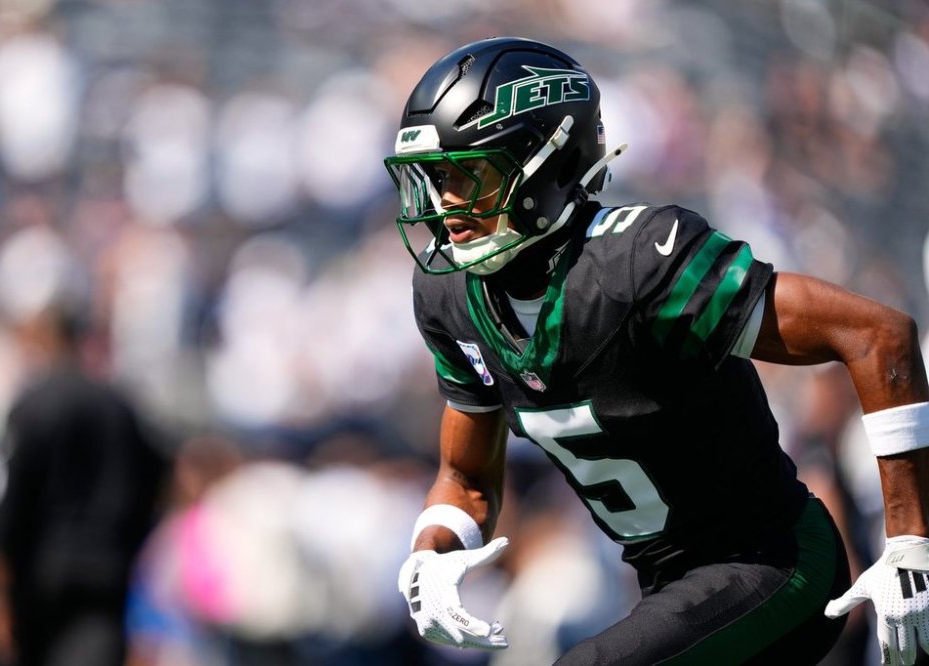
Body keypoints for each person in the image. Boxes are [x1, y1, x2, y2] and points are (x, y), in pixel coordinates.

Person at [384, 36, 929, 665]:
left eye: (467, 175)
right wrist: (432, 552)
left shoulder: (637, 263)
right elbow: (466, 478)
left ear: (542, 165)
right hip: (667, 587)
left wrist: (911, 543)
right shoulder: (450, 294)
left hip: (775, 562)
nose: (444, 204)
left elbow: (875, 333)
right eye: (435, 178)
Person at [0, 302, 170, 666]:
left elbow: (11, 499)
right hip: (107, 571)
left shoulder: (34, 404)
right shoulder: (121, 406)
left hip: (42, 575)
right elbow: (158, 482)